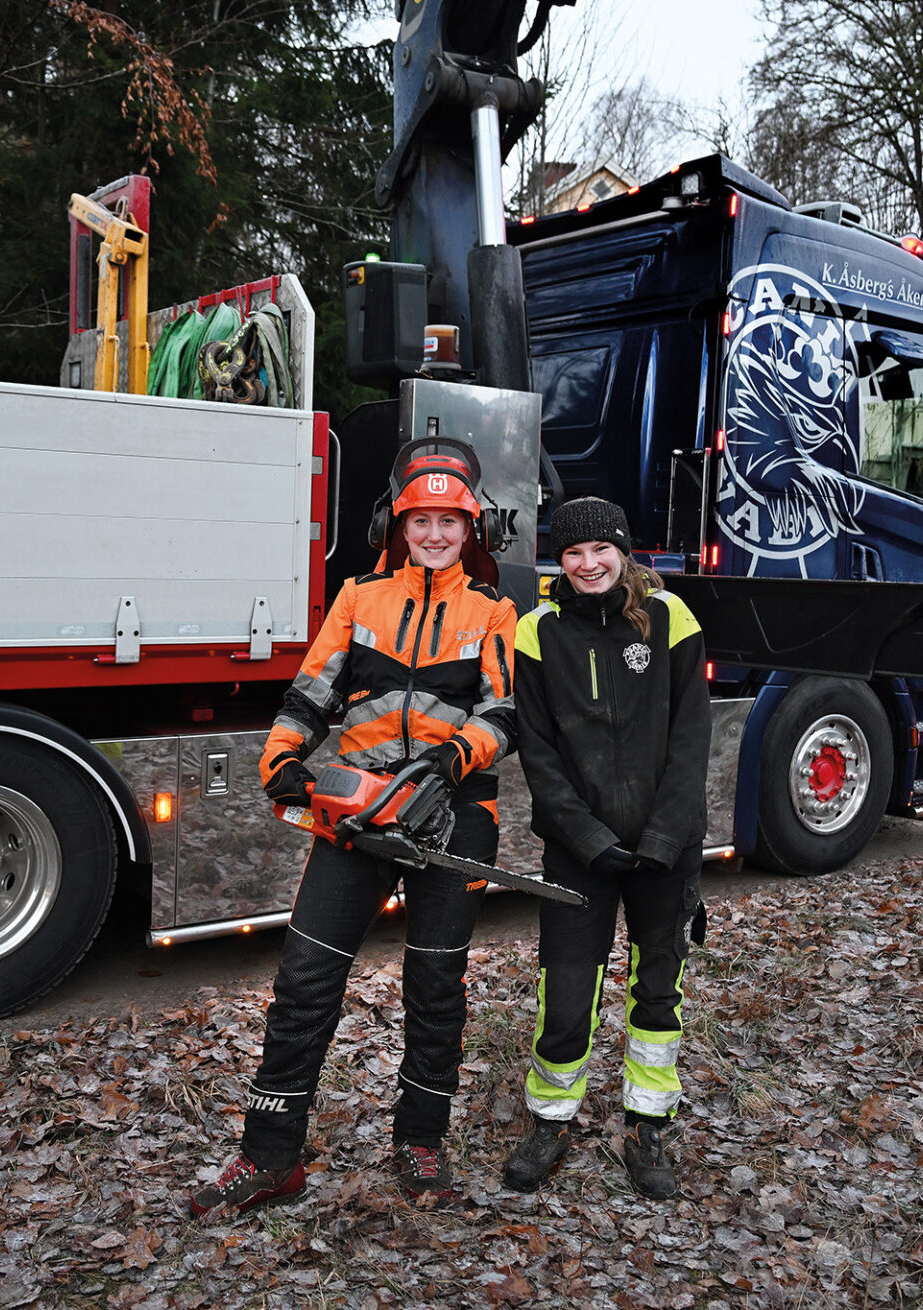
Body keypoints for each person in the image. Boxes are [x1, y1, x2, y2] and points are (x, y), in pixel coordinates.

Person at [189, 441, 520, 1218]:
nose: (435, 534)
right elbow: (311, 692)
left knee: (436, 987)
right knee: (305, 982)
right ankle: (270, 1156)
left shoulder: (492, 610)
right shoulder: (358, 597)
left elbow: (504, 712)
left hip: (454, 816)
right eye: (421, 520)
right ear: (395, 524)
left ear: (473, 527)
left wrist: (450, 759)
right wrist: (283, 761)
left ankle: (421, 1140)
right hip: (358, 815)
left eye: (449, 520)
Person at [501, 496, 710, 1200]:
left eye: (600, 550)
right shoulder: (537, 633)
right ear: (558, 561)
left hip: (665, 851)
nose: (588, 563)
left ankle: (647, 1127)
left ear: (623, 551)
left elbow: (690, 743)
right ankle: (551, 1121)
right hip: (577, 853)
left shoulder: (673, 618)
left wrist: (662, 840)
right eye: (572, 552)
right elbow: (539, 754)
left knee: (658, 992)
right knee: (565, 997)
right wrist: (588, 838)